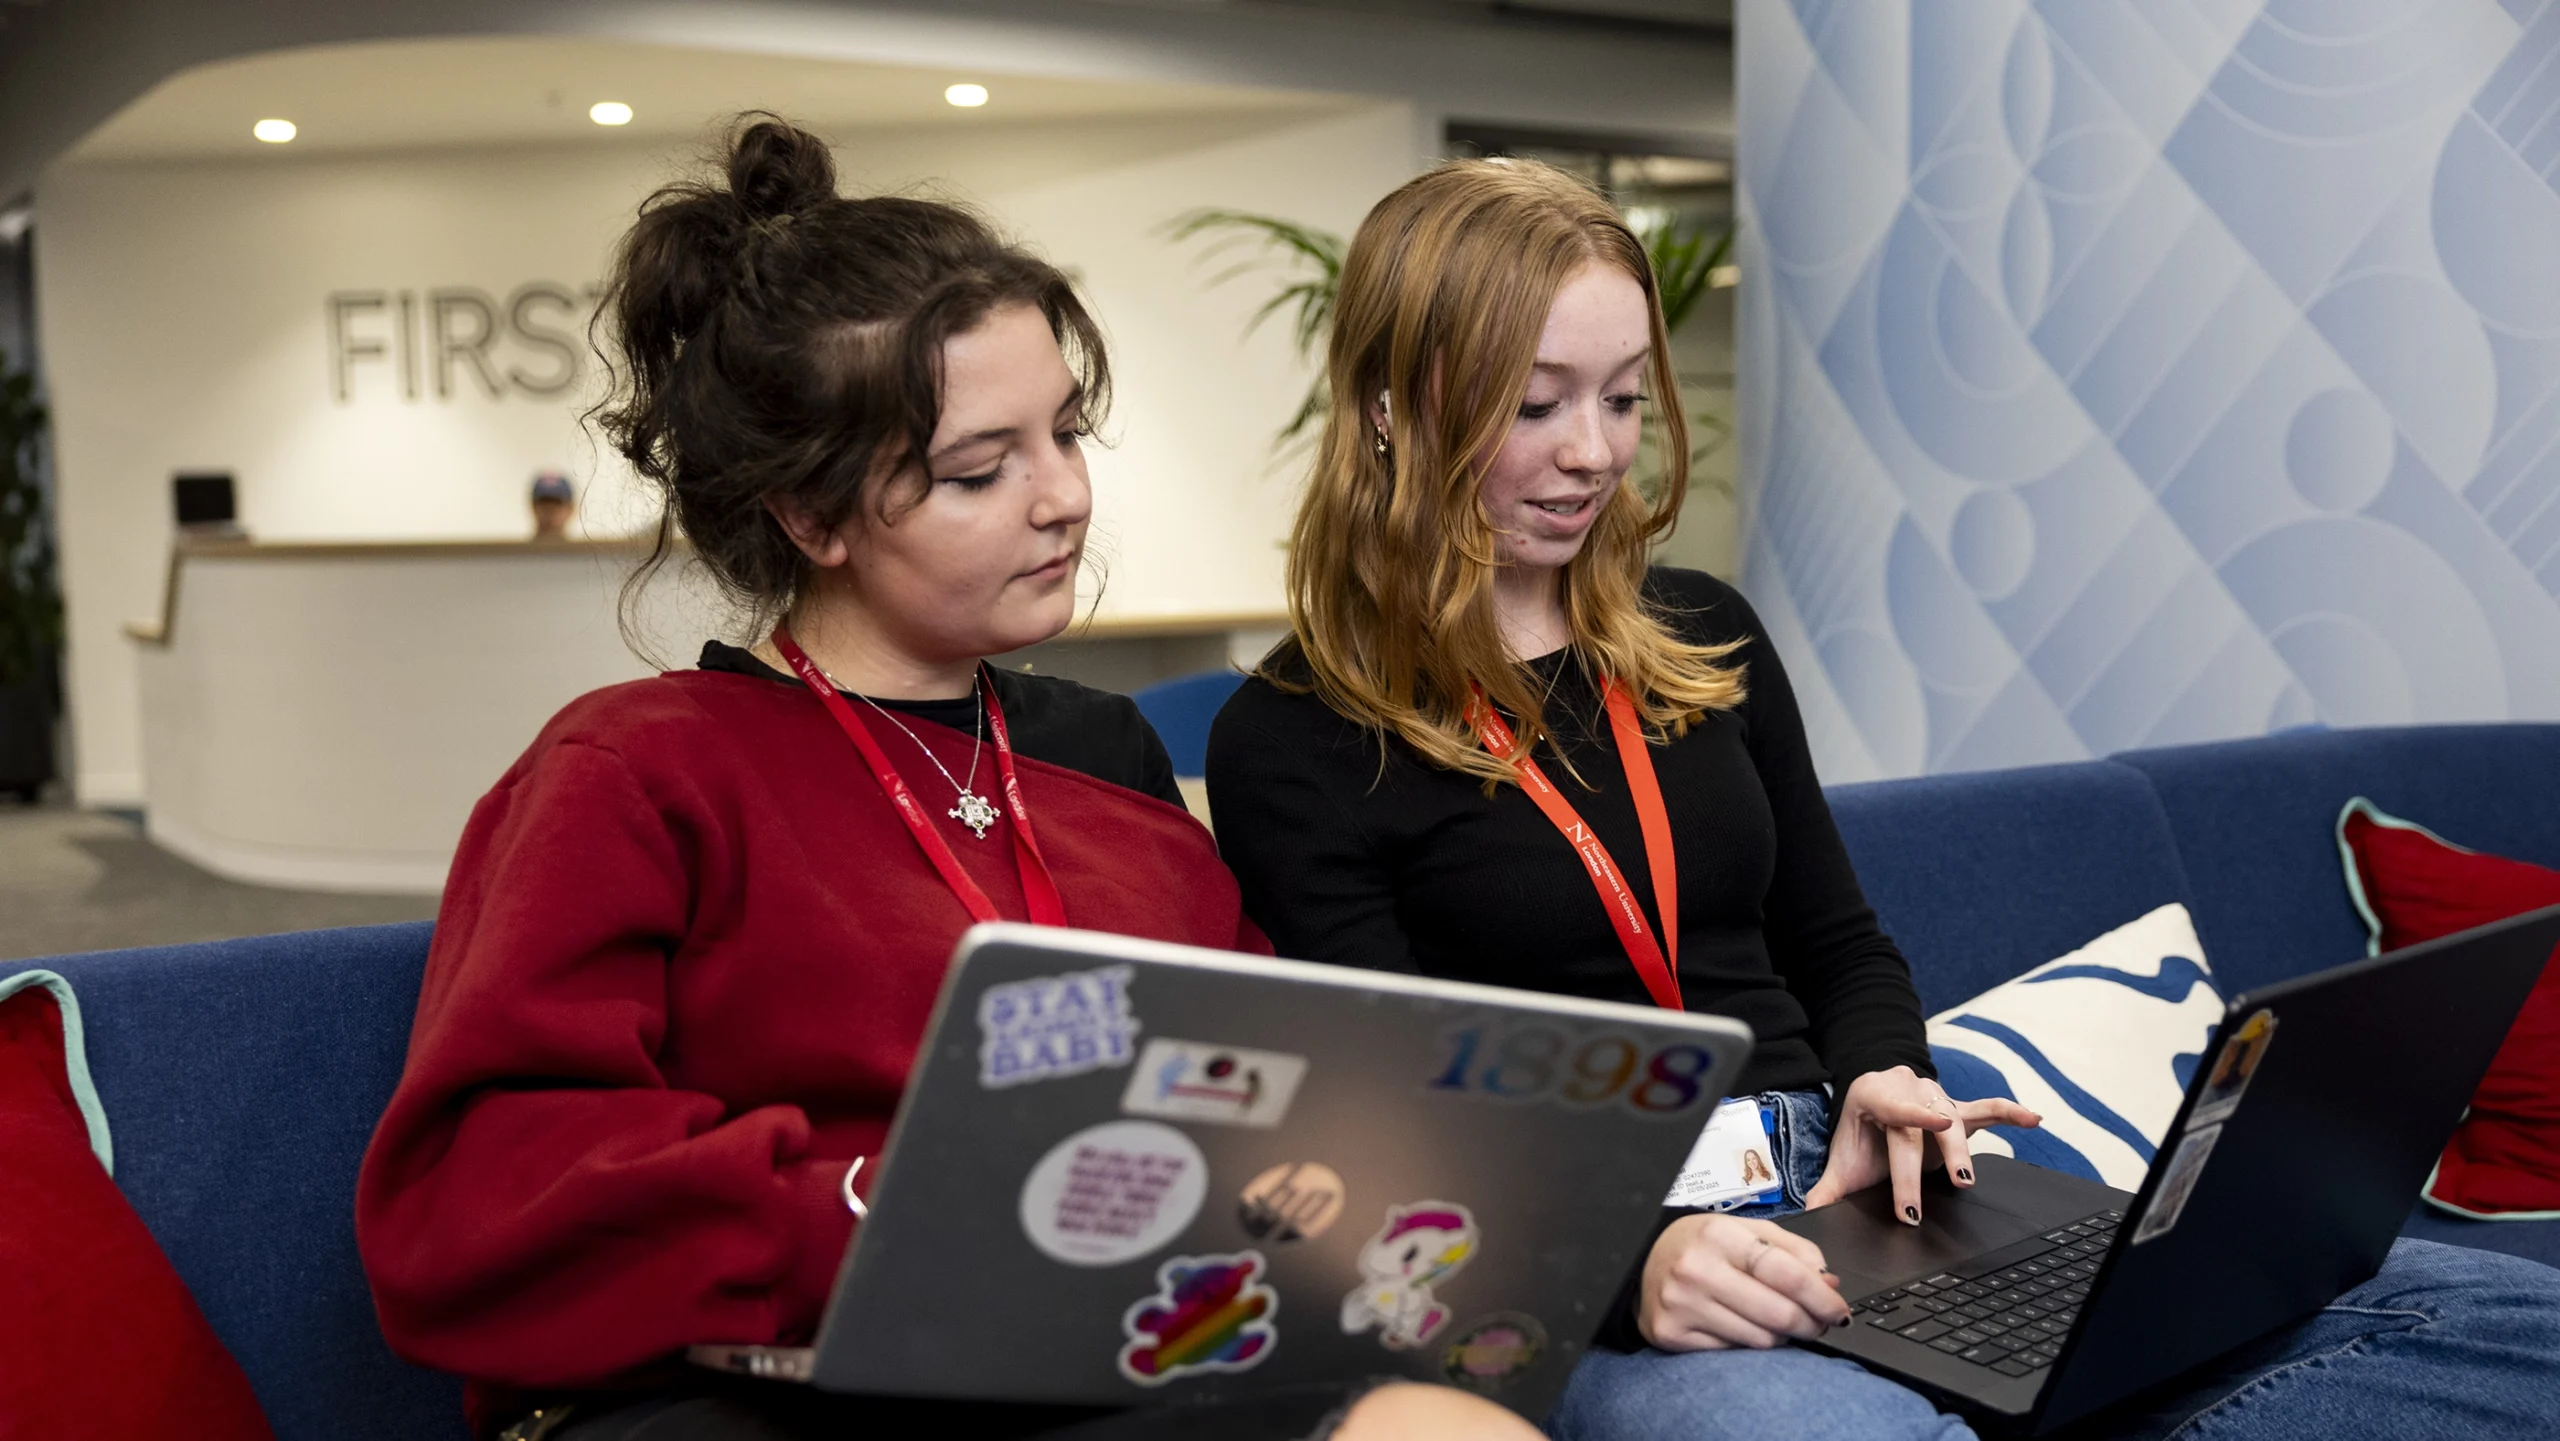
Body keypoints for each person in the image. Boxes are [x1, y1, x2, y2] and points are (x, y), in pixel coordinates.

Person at [1204, 158, 2560, 1441]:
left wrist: (1886, 1074)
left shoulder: (1701, 631)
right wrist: (1633, 1262)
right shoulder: (1296, 738)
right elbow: (1391, 1123)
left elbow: (1837, 940)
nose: (1595, 453)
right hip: (1601, 1253)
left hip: (1851, 1184)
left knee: (2513, 1325)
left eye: (1623, 397)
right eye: (1535, 402)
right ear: (1391, 404)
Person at [355, 118, 1536, 1441]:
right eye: (983, 468)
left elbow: (1262, 1080)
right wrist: (900, 1205)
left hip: (1099, 1351)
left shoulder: (1107, 758)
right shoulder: (636, 767)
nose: (1063, 498)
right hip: (766, 1386)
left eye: (1067, 435)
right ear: (812, 517)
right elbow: (481, 1200)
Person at [529, 470, 576, 540]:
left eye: (557, 504)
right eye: (544, 504)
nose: (549, 511)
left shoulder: (583, 550)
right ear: (533, 507)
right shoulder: (516, 550)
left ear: (570, 508)